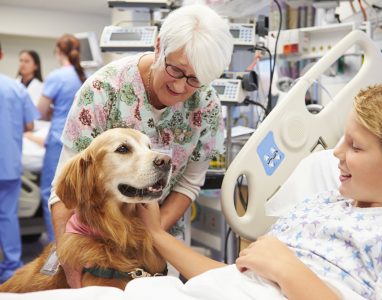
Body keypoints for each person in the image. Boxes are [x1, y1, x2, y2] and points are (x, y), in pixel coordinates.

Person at [138, 84, 382, 300]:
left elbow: (275, 272)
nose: (337, 153)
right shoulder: (320, 205)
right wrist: (155, 233)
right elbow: (234, 278)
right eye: (343, 139)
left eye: (355, 146)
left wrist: (287, 269)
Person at [49, 4, 234, 288]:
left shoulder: (206, 105)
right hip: (94, 241)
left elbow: (189, 183)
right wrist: (70, 264)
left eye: (196, 79)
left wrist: (148, 237)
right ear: (159, 46)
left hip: (159, 237)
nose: (182, 88)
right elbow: (66, 187)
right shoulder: (103, 90)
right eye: (176, 70)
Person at [37, 34, 86, 243]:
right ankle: (75, 245)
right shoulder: (85, 76)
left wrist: (55, 112)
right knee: (78, 198)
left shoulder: (57, 76)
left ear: (58, 51)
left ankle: (56, 250)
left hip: (59, 141)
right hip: (83, 143)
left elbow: (40, 110)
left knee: (53, 195)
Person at [0, 42, 40, 283]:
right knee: (7, 216)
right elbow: (30, 125)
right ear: (2, 55)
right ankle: (11, 266)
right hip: (8, 165)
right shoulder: (15, 89)